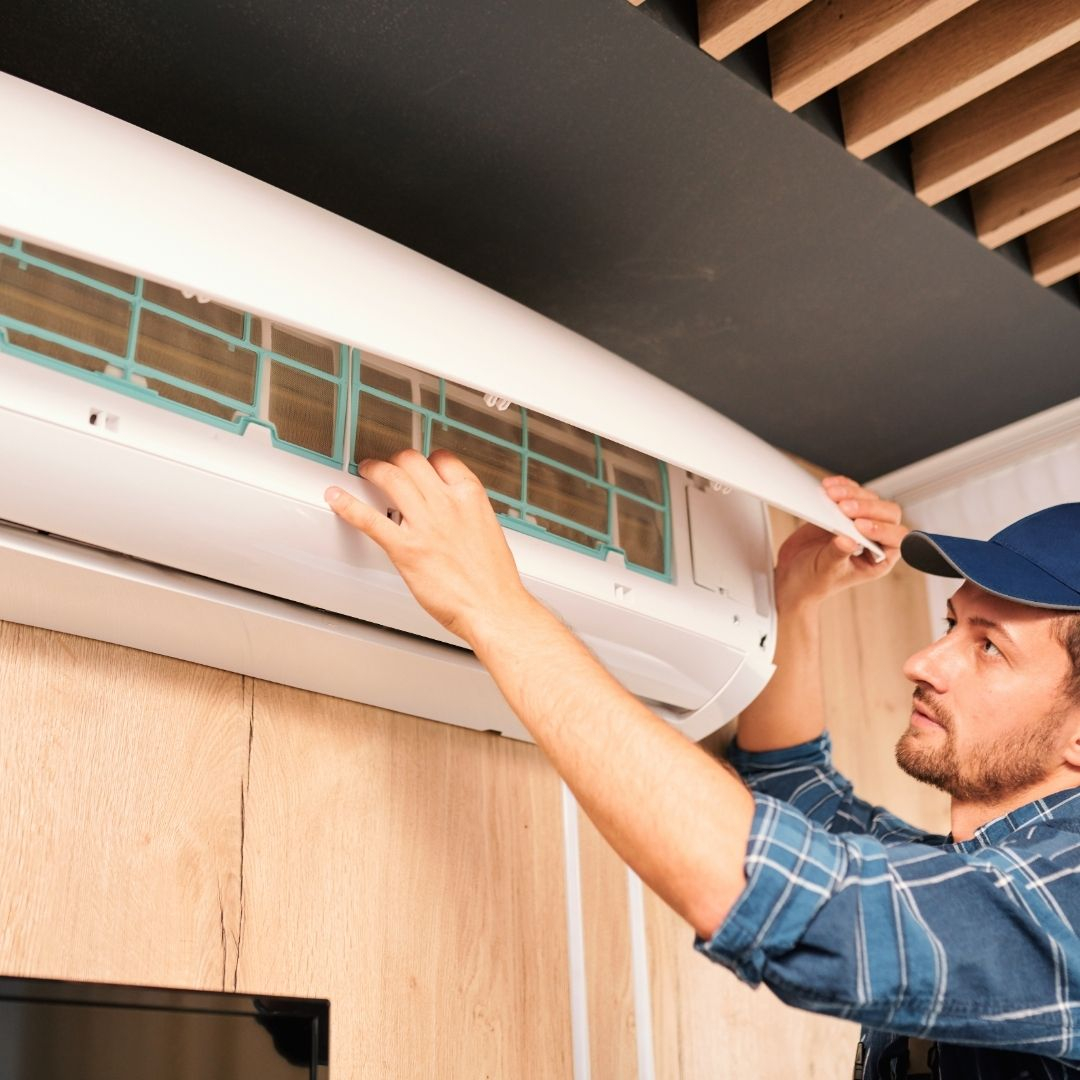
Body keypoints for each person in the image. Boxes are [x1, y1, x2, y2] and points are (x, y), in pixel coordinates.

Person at [324, 450, 1080, 1079]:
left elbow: (794, 894)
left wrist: (490, 603)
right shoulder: (976, 879)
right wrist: (794, 595)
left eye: (988, 647)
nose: (922, 661)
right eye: (951, 623)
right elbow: (787, 784)